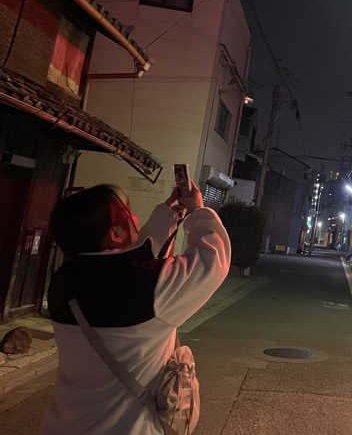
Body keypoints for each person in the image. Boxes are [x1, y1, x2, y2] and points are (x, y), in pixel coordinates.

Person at [41, 179, 231, 434]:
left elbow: (130, 259)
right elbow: (212, 260)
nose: (135, 217)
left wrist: (167, 214)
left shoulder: (63, 282)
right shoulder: (148, 287)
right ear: (115, 234)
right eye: (128, 215)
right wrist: (198, 211)